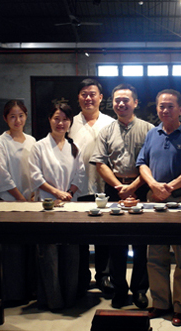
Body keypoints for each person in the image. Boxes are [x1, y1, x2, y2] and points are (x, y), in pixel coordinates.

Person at [137, 89, 181, 327]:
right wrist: (154, 185)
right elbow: (142, 164)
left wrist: (169, 187)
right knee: (154, 255)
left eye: (170, 106)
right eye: (161, 106)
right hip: (153, 201)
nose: (165, 110)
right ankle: (160, 303)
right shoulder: (151, 134)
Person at [90, 83, 153, 309]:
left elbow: (152, 164)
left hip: (142, 189)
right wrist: (120, 187)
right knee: (116, 243)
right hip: (114, 190)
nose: (121, 104)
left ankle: (139, 290)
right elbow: (100, 162)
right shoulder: (105, 131)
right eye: (117, 100)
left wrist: (134, 186)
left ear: (135, 102)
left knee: (140, 244)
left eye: (126, 100)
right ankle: (119, 290)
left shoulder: (149, 129)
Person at [29, 103, 85, 310]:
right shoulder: (39, 147)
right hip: (47, 206)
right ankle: (52, 300)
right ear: (49, 120)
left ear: (70, 122)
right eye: (56, 118)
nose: (61, 123)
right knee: (48, 254)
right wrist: (57, 193)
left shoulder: (74, 147)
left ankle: (70, 298)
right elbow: (36, 177)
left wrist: (69, 192)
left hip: (70, 206)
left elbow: (80, 174)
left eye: (65, 119)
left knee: (72, 253)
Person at [68, 78, 115, 296]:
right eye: (84, 94)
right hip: (77, 187)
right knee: (81, 236)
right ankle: (81, 276)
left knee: (104, 235)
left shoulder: (110, 122)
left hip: (105, 187)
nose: (88, 98)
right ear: (78, 98)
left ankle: (103, 276)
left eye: (92, 94)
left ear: (101, 98)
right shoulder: (70, 123)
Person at [0, 100, 37, 305]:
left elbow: (37, 171)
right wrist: (21, 198)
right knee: (12, 252)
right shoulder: (0, 142)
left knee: (30, 249)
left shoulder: (32, 140)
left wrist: (33, 196)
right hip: (11, 202)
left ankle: (31, 290)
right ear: (5, 118)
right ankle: (13, 294)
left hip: (31, 201)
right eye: (12, 116)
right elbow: (3, 175)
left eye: (21, 115)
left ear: (26, 116)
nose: (17, 120)